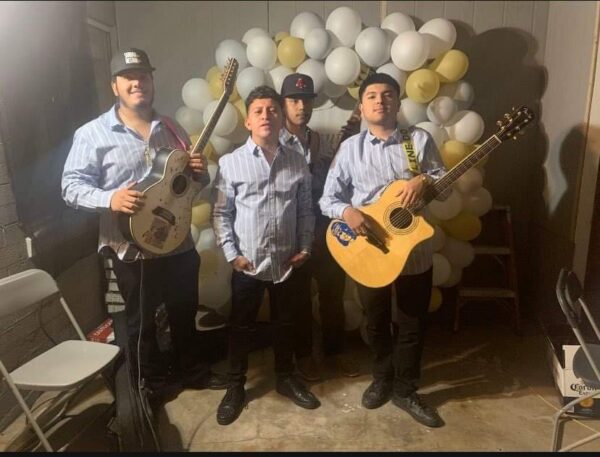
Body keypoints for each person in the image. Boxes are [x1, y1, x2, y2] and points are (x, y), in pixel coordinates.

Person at [61, 47, 227, 395]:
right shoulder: (92, 134)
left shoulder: (171, 127)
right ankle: (150, 384)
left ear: (152, 81)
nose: (138, 83)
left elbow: (186, 188)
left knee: (184, 313)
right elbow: (70, 187)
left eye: (144, 76)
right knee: (141, 324)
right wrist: (111, 199)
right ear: (115, 86)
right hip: (131, 249)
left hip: (178, 243)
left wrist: (199, 175)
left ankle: (192, 372)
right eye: (129, 78)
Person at [319, 73, 447, 428]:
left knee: (412, 324)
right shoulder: (350, 150)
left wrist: (425, 179)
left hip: (414, 252)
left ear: (398, 103)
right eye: (372, 95)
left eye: (387, 94)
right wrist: (348, 212)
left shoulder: (418, 141)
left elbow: (445, 187)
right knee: (374, 322)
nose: (380, 100)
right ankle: (382, 377)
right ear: (361, 106)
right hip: (369, 251)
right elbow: (328, 198)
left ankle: (406, 390)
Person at [212, 85, 321, 426]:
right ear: (247, 121)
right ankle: (235, 387)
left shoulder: (297, 160)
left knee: (285, 324)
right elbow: (220, 214)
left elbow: (305, 209)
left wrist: (305, 247)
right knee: (240, 328)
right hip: (247, 264)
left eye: (272, 110)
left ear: (281, 116)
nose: (266, 116)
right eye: (258, 111)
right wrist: (232, 255)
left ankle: (286, 378)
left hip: (288, 263)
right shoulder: (231, 163)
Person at [279, 73, 361, 381]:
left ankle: (335, 353)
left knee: (332, 293)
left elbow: (334, 174)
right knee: (297, 298)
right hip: (291, 231)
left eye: (307, 100)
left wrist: (349, 137)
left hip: (324, 227)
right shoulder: (272, 142)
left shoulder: (317, 140)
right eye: (294, 100)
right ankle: (303, 358)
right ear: (283, 104)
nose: (302, 107)